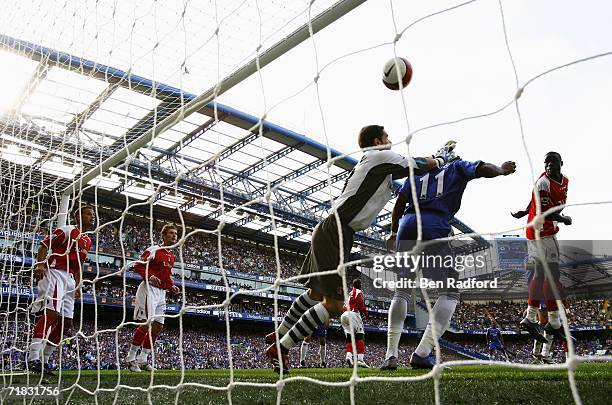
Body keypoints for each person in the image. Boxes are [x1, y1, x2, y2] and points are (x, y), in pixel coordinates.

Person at [265, 124, 448, 373]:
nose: (391, 139)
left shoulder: (371, 163)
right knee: (333, 305)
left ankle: (279, 333)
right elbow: (418, 163)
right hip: (337, 231)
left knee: (316, 295)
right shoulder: (381, 156)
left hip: (332, 228)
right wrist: (439, 159)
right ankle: (281, 347)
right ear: (377, 141)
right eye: (387, 136)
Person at [381, 144, 516, 370]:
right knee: (450, 291)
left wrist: (394, 232)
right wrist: (501, 169)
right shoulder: (456, 166)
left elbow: (400, 202)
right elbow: (482, 168)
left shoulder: (419, 171)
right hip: (435, 225)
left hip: (408, 224)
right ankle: (423, 352)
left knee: (402, 289)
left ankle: (390, 355)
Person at [28, 205, 95, 374]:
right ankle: (33, 358)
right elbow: (44, 245)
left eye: (93, 215)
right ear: (77, 216)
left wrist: (79, 284)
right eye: (88, 214)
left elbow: (79, 265)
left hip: (70, 279)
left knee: (67, 323)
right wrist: (40, 264)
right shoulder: (67, 230)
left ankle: (45, 359)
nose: (92, 217)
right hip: (55, 273)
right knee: (51, 314)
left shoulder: (87, 240)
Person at [511, 152, 571, 343]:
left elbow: (535, 199)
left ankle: (540, 320)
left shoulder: (564, 181)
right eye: (546, 163)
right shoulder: (544, 182)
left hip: (543, 231)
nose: (549, 166)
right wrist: (564, 219)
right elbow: (545, 211)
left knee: (546, 275)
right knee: (549, 275)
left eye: (552, 162)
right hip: (540, 232)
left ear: (561, 163)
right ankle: (544, 321)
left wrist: (525, 210)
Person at [126, 224, 181, 372]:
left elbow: (166, 276)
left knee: (158, 326)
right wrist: (149, 276)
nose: (174, 235)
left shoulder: (171, 256)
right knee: (147, 323)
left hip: (161, 293)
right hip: (148, 289)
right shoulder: (154, 250)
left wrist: (172, 286)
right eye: (171, 233)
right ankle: (131, 359)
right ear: (163, 235)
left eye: (176, 233)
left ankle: (143, 359)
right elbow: (138, 266)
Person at [340, 278, 369, 368]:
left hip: (344, 315)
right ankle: (360, 360)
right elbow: (361, 304)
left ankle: (349, 356)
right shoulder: (358, 292)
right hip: (353, 314)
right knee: (360, 336)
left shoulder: (349, 293)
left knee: (350, 337)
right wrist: (365, 313)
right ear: (359, 285)